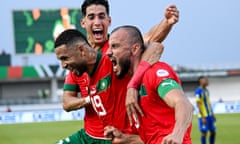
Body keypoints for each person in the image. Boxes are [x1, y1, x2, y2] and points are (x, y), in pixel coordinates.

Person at [55, 0, 180, 144]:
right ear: (83, 22)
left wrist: (167, 22)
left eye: (101, 17)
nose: (97, 22)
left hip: (119, 136)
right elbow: (66, 102)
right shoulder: (77, 60)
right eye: (91, 17)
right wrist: (92, 99)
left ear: (109, 21)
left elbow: (151, 43)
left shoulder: (118, 50)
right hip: (89, 135)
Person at [104, 25, 193, 144]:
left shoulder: (155, 72)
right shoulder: (131, 85)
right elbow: (152, 139)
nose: (108, 52)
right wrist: (125, 138)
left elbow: (183, 103)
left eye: (115, 46)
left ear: (135, 49)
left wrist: (177, 134)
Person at [195, 76, 216, 144]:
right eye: (205, 80)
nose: (207, 81)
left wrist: (213, 114)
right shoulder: (198, 91)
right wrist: (203, 116)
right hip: (203, 116)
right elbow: (198, 104)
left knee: (213, 132)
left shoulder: (206, 91)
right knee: (204, 133)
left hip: (209, 115)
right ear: (201, 82)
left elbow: (208, 103)